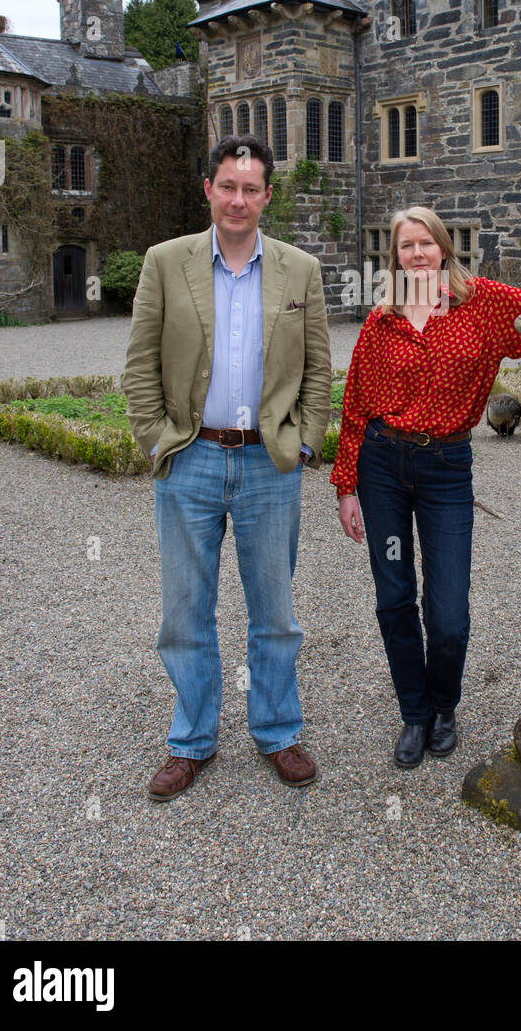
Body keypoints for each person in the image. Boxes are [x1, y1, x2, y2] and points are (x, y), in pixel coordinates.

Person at [332, 206, 521, 769]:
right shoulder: (381, 321)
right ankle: (415, 713)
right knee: (395, 597)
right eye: (406, 246)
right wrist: (346, 485)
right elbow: (357, 403)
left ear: (444, 249)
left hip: (445, 466)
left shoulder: (483, 303)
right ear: (395, 255)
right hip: (381, 465)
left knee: (447, 610)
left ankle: (445, 704)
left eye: (426, 243)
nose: (417, 254)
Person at [122, 134, 331, 799]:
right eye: (227, 186)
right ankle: (191, 740)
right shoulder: (164, 262)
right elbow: (140, 363)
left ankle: (277, 731)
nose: (238, 199)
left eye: (251, 188)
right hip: (191, 459)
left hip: (270, 464)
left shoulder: (300, 269)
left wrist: (302, 444)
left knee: (274, 612)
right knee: (185, 612)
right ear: (208, 190)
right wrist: (157, 442)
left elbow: (320, 370)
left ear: (267, 195)